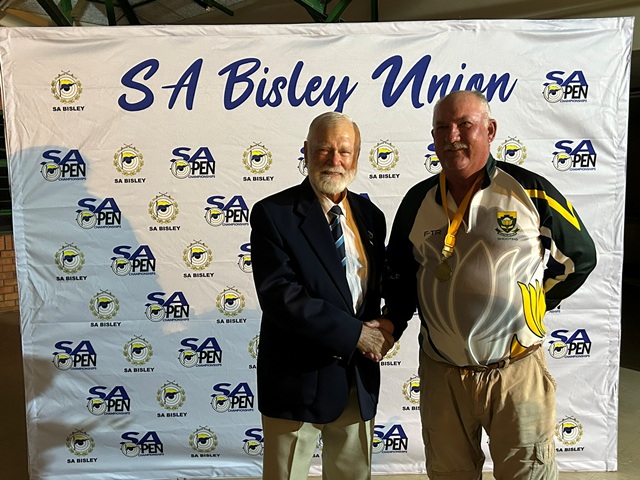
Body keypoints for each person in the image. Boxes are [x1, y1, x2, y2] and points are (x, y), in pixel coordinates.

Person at [383, 90, 597, 480]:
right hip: (443, 374)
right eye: (442, 128)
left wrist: (533, 304)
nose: (452, 136)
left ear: (490, 130)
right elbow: (398, 274)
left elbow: (580, 257)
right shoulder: (417, 200)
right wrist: (390, 322)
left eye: (464, 124)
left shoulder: (529, 191)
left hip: (516, 372)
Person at [250, 111, 398, 480]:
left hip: (356, 381)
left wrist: (390, 325)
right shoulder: (274, 214)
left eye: (344, 151)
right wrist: (355, 335)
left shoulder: (370, 216)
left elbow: (375, 291)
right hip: (295, 383)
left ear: (356, 156)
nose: (335, 160)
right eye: (324, 150)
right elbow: (281, 296)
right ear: (306, 151)